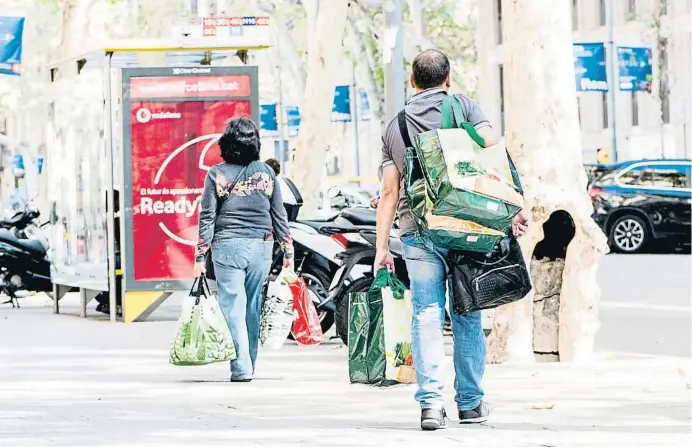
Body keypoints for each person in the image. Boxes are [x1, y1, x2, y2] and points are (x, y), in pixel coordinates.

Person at [374, 49, 529, 430]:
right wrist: (517, 206)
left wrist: (381, 247)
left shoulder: (396, 125)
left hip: (419, 231)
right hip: (468, 228)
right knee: (467, 312)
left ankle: (430, 405)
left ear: (412, 82)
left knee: (426, 313)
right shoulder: (464, 106)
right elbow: (495, 151)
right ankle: (471, 404)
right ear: (448, 78)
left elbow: (390, 192)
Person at [194, 117, 294, 382]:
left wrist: (200, 256)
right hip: (262, 246)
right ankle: (249, 362)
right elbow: (279, 214)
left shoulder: (216, 173)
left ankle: (241, 367)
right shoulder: (266, 172)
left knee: (233, 306)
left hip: (228, 246)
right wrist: (288, 251)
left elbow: (207, 217)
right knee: (252, 306)